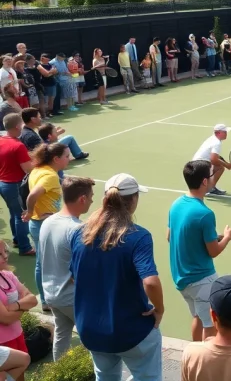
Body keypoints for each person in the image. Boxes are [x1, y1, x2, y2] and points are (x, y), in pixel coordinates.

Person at [70, 173, 164, 381]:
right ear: (133, 200)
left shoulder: (79, 233)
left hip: (92, 330)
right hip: (132, 331)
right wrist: (159, 309)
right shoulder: (139, 236)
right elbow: (150, 281)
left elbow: (75, 277)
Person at [168, 160, 231, 342]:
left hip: (182, 279)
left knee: (198, 316)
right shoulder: (205, 213)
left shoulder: (176, 204)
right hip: (201, 280)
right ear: (205, 181)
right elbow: (213, 251)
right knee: (210, 325)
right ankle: (205, 365)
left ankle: (194, 354)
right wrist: (227, 237)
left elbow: (171, 236)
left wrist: (213, 237)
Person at [39, 176, 95, 360]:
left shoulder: (48, 222)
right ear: (82, 199)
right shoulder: (78, 229)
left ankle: (59, 374)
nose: (92, 200)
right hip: (73, 298)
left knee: (62, 335)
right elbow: (83, 270)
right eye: (91, 196)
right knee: (93, 337)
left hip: (51, 294)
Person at [25, 143, 70, 311]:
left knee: (41, 264)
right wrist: (30, 211)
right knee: (55, 262)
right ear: (56, 159)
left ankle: (45, 299)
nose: (69, 158)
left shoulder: (38, 169)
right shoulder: (50, 176)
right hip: (45, 224)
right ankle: (50, 299)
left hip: (37, 223)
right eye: (66, 156)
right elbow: (33, 195)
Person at [0, 114, 34, 257]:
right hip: (14, 185)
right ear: (17, 126)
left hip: (3, 183)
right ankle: (25, 247)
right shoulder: (18, 145)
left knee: (14, 213)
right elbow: (28, 169)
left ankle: (17, 240)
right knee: (22, 215)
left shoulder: (1, 140)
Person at [0, 240, 38, 354]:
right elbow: (6, 319)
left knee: (22, 367)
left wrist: (14, 306)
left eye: (5, 251)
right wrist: (24, 306)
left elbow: (33, 299)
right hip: (2, 344)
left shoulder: (8, 275)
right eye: (0, 254)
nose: (5, 256)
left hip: (18, 334)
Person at [192, 125, 231, 196]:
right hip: (200, 166)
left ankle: (208, 186)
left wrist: (226, 163)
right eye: (225, 132)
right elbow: (214, 159)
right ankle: (209, 189)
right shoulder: (216, 143)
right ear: (218, 133)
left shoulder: (212, 139)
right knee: (220, 168)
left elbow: (217, 157)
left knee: (217, 165)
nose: (226, 133)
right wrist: (227, 165)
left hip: (196, 164)